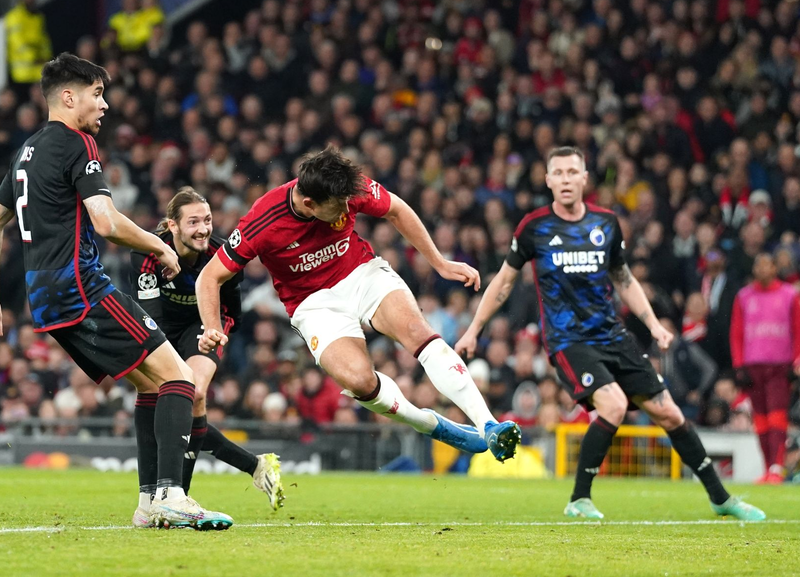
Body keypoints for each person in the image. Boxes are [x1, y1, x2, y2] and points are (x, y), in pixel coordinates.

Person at [455, 146, 765, 521]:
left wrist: (653, 324)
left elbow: (624, 279)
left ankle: (721, 498)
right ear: (549, 180)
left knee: (670, 413)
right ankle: (579, 499)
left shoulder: (606, 223)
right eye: (559, 173)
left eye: (573, 172)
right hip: (569, 342)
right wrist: (474, 329)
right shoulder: (534, 227)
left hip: (613, 337)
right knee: (614, 405)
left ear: (585, 178)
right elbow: (503, 282)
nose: (566, 180)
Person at [0, 53, 230, 530]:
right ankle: (171, 495)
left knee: (151, 385)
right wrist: (161, 248)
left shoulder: (27, 151)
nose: (104, 105)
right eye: (97, 94)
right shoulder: (76, 143)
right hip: (81, 286)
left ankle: (149, 503)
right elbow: (106, 222)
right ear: (69, 97)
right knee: (182, 379)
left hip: (44, 299)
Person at [195, 146, 521, 461]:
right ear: (309, 203)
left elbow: (396, 208)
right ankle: (429, 424)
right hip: (312, 304)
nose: (346, 210)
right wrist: (211, 326)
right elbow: (209, 277)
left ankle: (488, 424)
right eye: (338, 208)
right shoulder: (263, 221)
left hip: (361, 273)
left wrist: (439, 262)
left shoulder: (345, 187)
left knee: (416, 330)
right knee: (359, 382)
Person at [131, 186, 284, 509]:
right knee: (168, 404)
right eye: (193, 222)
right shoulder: (147, 254)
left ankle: (174, 498)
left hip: (205, 322)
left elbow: (232, 307)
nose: (203, 229)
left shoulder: (221, 254)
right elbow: (151, 317)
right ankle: (254, 466)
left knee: (194, 392)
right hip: (162, 327)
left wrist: (216, 332)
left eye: (208, 220)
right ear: (172, 226)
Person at [730, 252, 799, 483]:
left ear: (774, 268)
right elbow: (736, 332)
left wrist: (796, 361)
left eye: (766, 265)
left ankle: (777, 468)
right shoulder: (744, 296)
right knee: (760, 419)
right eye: (758, 265)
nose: (761, 269)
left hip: (780, 365)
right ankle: (767, 467)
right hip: (753, 366)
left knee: (777, 417)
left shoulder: (790, 295)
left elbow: (798, 330)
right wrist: (739, 365)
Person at [5, 0, 52, 94]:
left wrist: (46, 58)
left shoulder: (38, 17)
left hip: (38, 73)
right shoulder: (14, 17)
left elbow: (44, 41)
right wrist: (34, 58)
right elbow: (17, 43)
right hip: (20, 75)